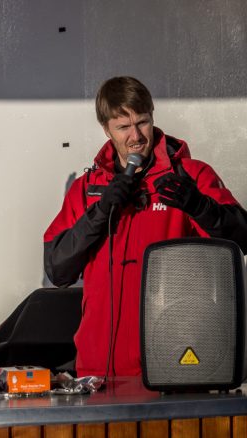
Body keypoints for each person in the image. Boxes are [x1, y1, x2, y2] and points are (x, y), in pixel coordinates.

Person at [44, 76, 247, 377]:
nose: (136, 136)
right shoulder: (88, 189)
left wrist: (200, 207)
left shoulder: (190, 176)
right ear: (106, 129)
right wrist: (101, 212)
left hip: (176, 361)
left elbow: (243, 240)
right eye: (123, 127)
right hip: (99, 369)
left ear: (152, 117)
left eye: (142, 122)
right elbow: (57, 270)